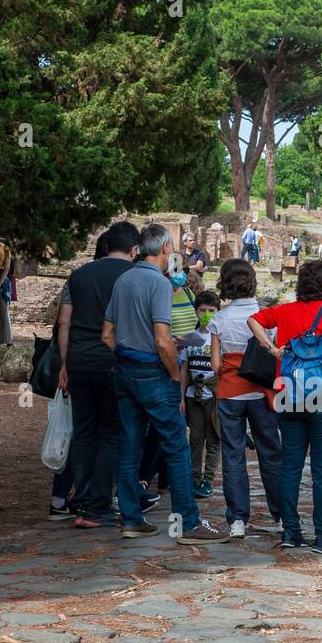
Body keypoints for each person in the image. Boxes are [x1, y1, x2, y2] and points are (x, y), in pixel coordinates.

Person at [102, 222, 228, 545]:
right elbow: (161, 340)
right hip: (152, 373)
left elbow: (107, 334)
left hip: (124, 371)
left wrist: (129, 352)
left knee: (130, 444)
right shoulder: (159, 284)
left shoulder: (123, 280)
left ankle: (131, 517)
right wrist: (173, 371)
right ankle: (188, 521)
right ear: (166, 249)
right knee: (176, 446)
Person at [249, 259, 322, 554]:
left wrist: (271, 349)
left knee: (291, 465)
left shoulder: (284, 311)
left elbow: (253, 320)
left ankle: (290, 531)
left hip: (288, 392)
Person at [56, 220, 138, 528]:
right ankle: (97, 505)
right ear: (134, 248)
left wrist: (64, 363)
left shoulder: (78, 276)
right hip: (114, 361)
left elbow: (64, 322)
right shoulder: (134, 275)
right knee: (112, 432)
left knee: (85, 430)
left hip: (78, 361)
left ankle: (82, 500)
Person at [209, 259, 282, 538]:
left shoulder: (219, 319)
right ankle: (281, 515)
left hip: (230, 393)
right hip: (262, 392)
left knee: (233, 455)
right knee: (271, 453)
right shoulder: (266, 316)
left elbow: (216, 365)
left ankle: (237, 519)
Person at [181, 289, 222, 499]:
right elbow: (185, 369)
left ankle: (208, 478)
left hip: (213, 394)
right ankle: (194, 477)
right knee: (196, 439)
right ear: (196, 311)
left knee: (214, 438)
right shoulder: (191, 338)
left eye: (211, 310)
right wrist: (181, 397)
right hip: (192, 395)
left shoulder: (219, 337)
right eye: (202, 310)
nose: (206, 314)